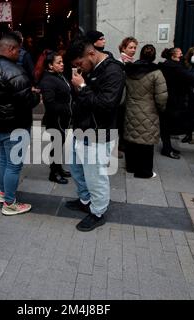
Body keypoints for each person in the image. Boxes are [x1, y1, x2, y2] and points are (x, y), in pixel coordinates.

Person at [66, 37, 125, 232]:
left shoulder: (113, 70)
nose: (79, 67)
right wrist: (78, 87)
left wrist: (82, 87)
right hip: (80, 129)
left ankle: (98, 212)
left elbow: (106, 105)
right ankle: (85, 200)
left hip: (98, 133)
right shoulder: (90, 69)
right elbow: (82, 101)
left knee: (95, 176)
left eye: (79, 63)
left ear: (91, 54)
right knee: (77, 169)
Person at [0, 32, 40, 216]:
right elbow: (28, 101)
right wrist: (35, 94)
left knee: (3, 160)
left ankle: (3, 193)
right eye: (18, 50)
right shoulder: (15, 71)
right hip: (15, 126)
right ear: (11, 49)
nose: (19, 54)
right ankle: (10, 204)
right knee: (13, 165)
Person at [124, 45, 168, 178]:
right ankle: (144, 171)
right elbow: (161, 97)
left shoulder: (129, 70)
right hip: (149, 111)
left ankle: (131, 167)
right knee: (146, 142)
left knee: (131, 139)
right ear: (154, 56)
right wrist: (161, 109)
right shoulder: (157, 73)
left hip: (130, 109)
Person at [158, 47, 194, 159]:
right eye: (180, 54)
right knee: (167, 125)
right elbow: (193, 78)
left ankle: (167, 147)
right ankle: (167, 149)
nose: (182, 56)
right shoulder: (174, 67)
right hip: (172, 99)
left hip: (168, 98)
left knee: (165, 125)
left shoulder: (168, 65)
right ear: (173, 56)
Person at [38, 50, 72, 184]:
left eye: (62, 61)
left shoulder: (59, 75)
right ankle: (54, 173)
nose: (62, 64)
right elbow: (50, 103)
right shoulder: (47, 80)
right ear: (50, 65)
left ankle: (59, 168)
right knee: (56, 145)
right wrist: (67, 108)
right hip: (55, 119)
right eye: (59, 62)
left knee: (59, 144)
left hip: (63, 118)